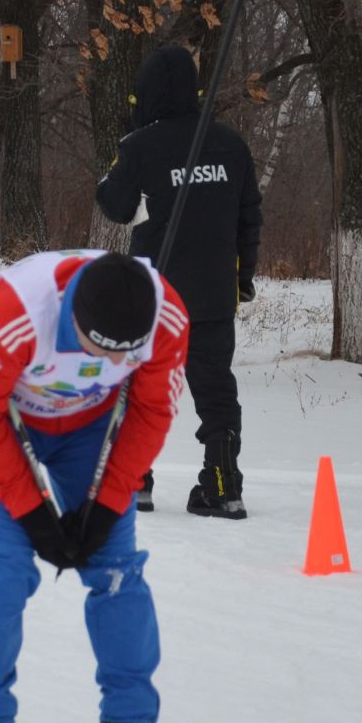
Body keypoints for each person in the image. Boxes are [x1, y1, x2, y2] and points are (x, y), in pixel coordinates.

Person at [0, 250, 190, 723]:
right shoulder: (17, 315)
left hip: (89, 426)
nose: (109, 358)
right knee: (7, 565)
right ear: (72, 317)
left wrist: (106, 506)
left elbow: (153, 411)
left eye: (122, 353)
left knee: (115, 570)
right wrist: (33, 516)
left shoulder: (165, 318)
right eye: (98, 346)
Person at [94, 44, 262, 520]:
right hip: (212, 294)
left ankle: (133, 481)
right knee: (215, 389)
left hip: (153, 295)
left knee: (139, 383)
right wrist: (242, 279)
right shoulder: (231, 145)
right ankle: (223, 486)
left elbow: (113, 204)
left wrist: (129, 152)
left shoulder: (140, 146)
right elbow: (249, 219)